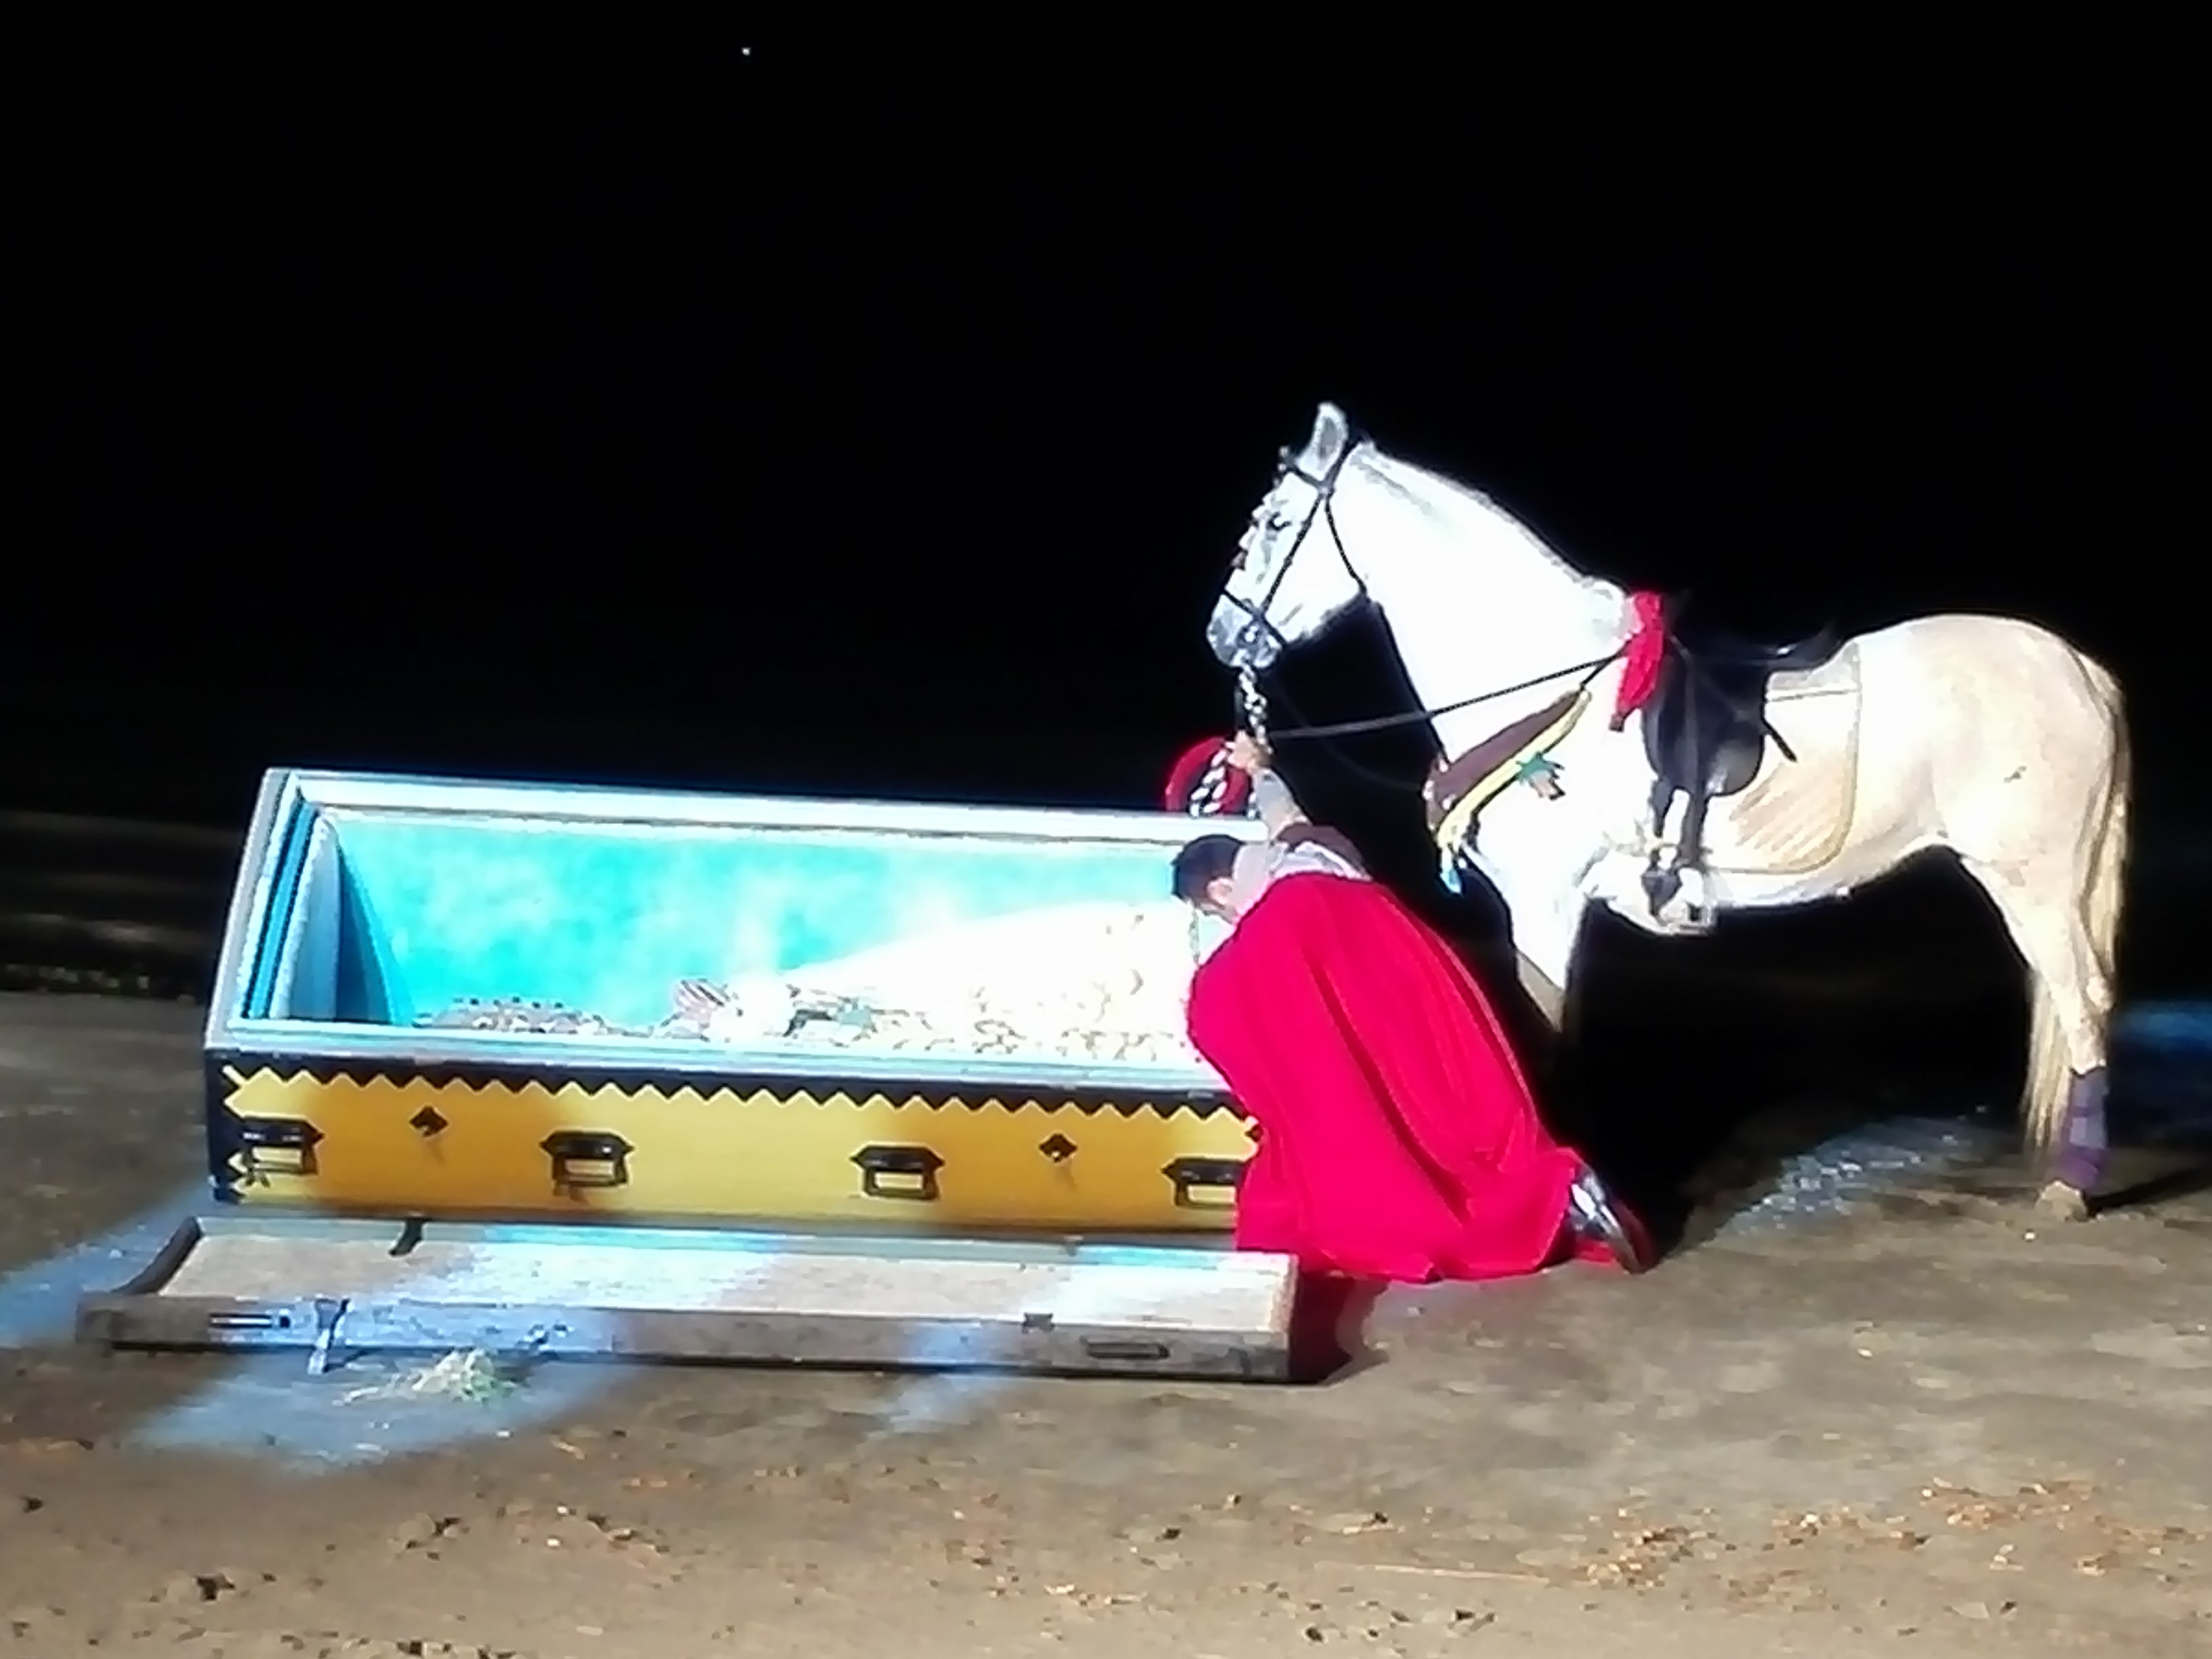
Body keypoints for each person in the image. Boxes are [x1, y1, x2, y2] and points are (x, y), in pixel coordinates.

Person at [1172, 733, 1654, 1284]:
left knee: (1368, 1179)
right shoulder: (1316, 851)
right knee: (1462, 1117)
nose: (1228, 920)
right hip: (1417, 985)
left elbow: (1230, 1020)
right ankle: (1558, 1190)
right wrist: (1260, 770)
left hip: (1345, 998)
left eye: (1217, 910)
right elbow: (1287, 816)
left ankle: (1546, 1206)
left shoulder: (1270, 926)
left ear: (1219, 886)